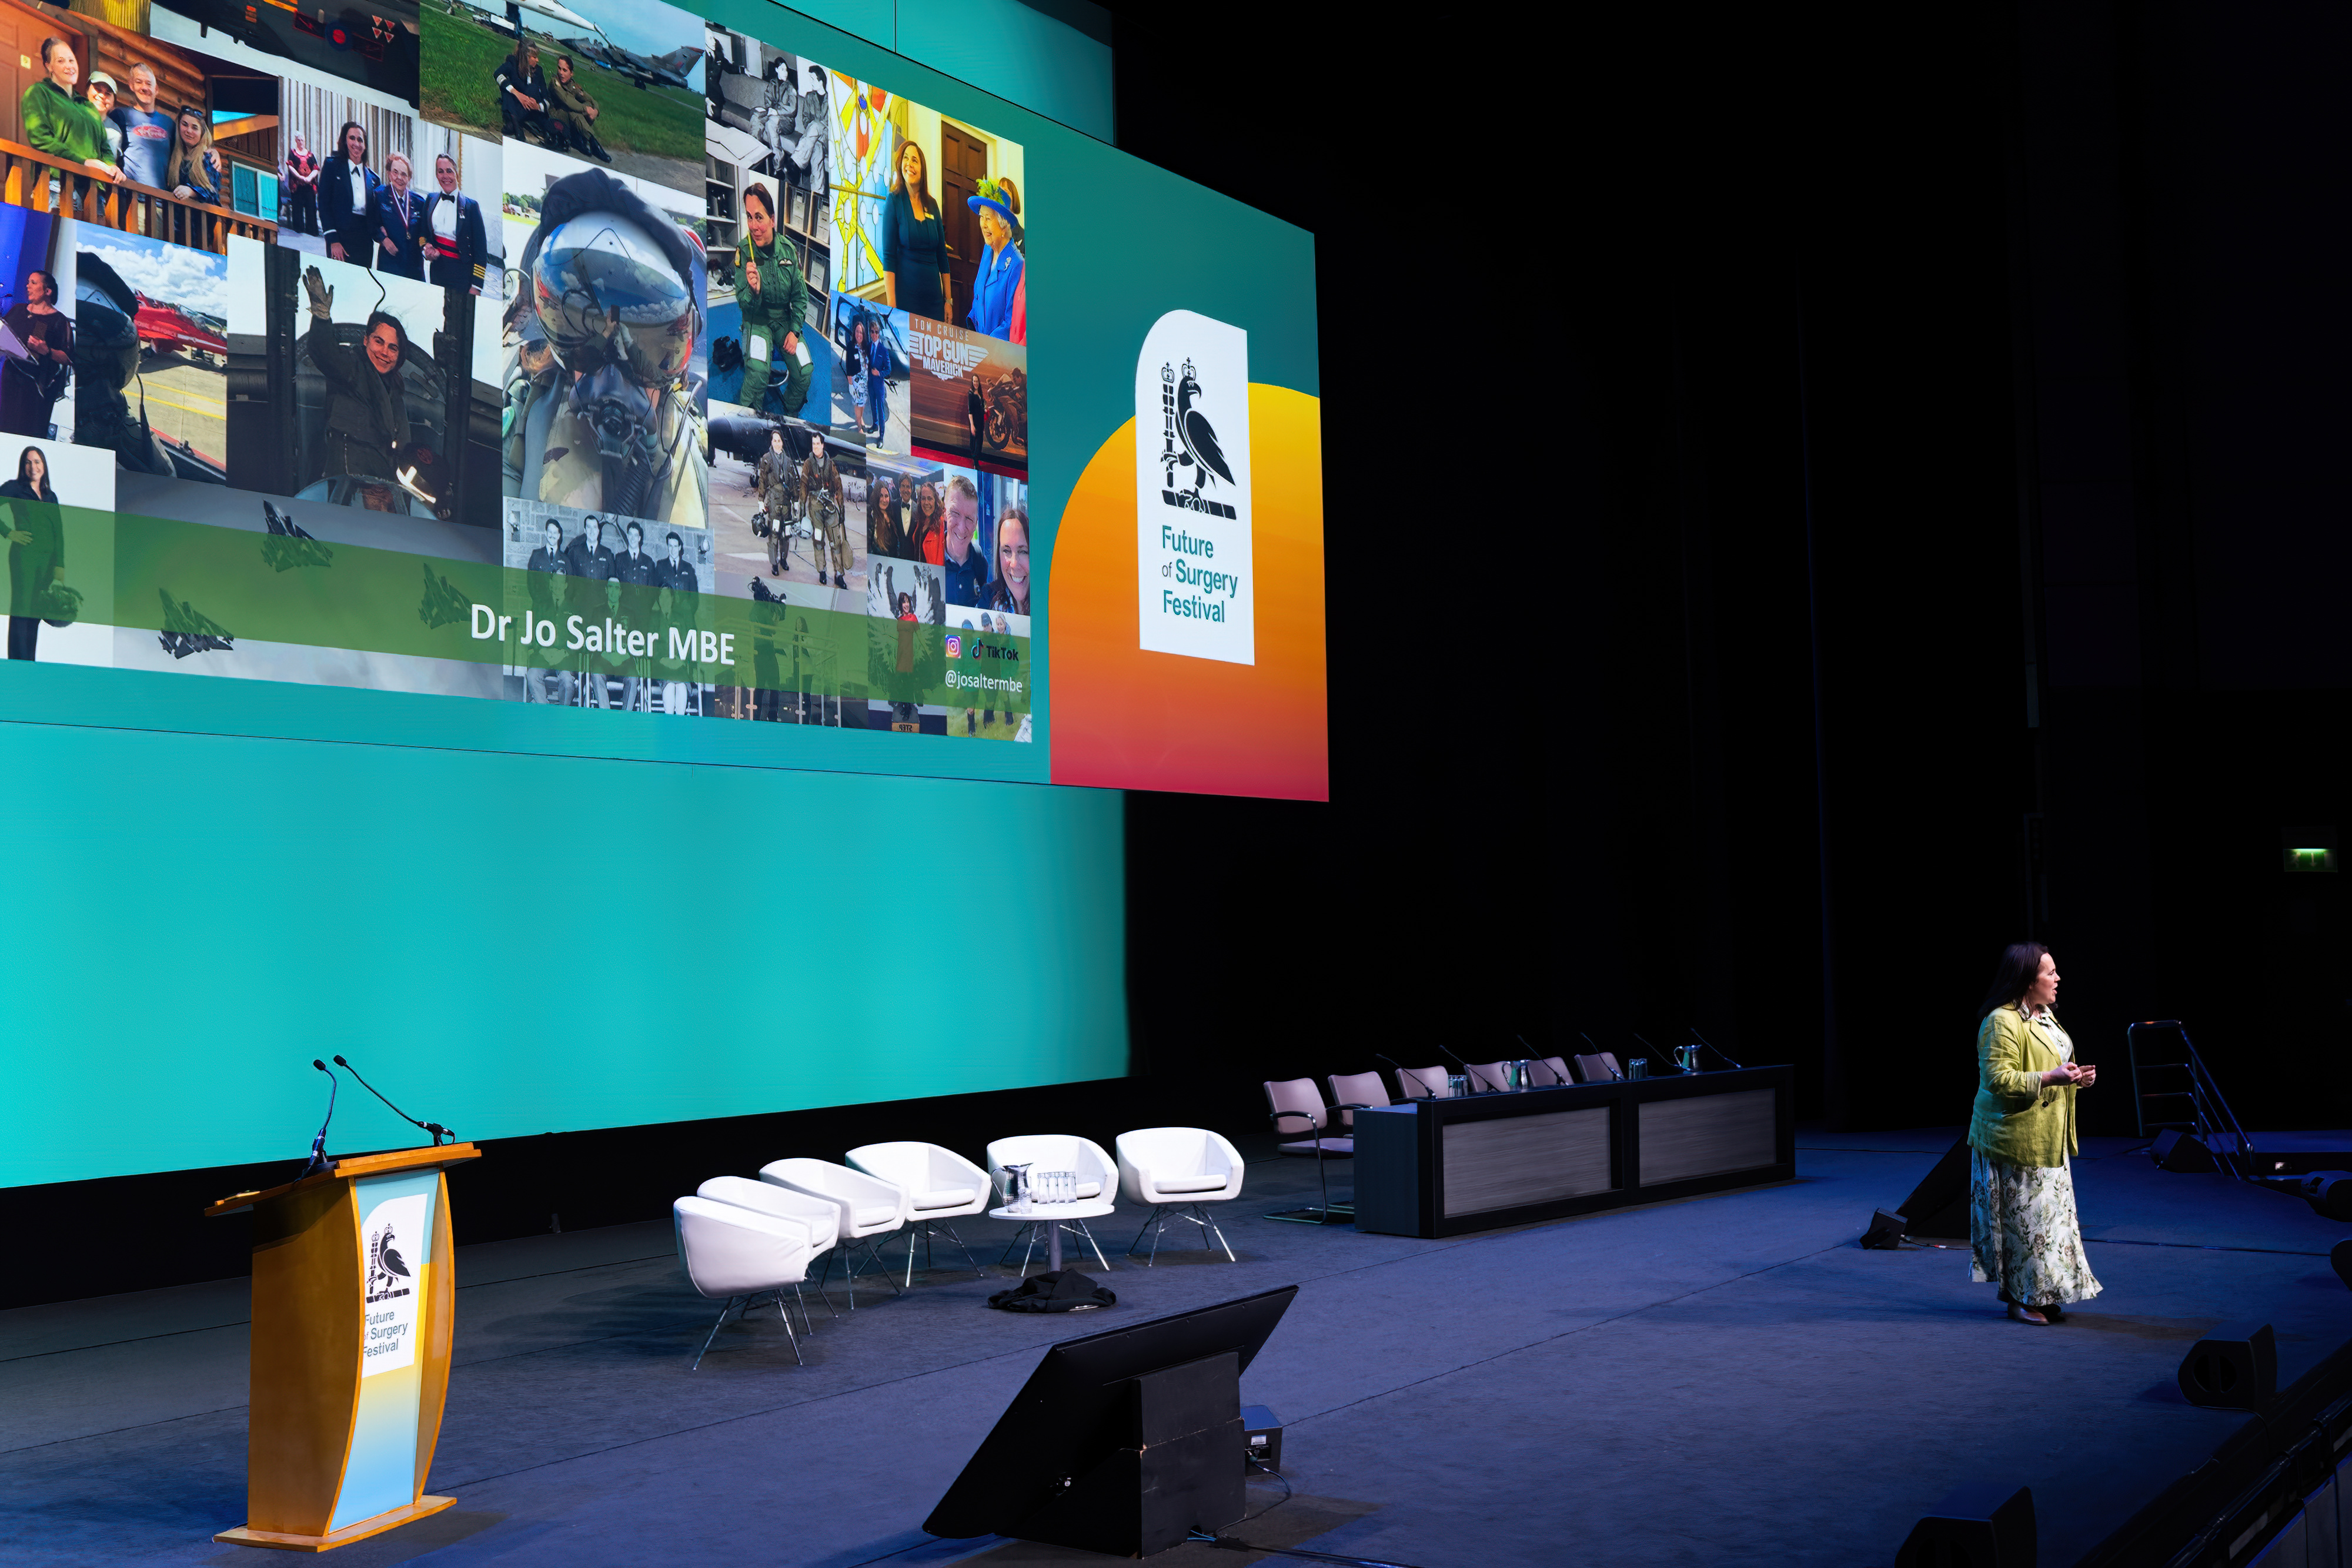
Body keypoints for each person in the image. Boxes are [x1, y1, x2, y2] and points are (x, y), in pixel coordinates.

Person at [506, 169, 707, 530]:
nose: (613, 377)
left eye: (645, 342)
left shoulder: (694, 454)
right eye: (588, 340)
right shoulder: (526, 413)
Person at [1967, 942, 2101, 1325]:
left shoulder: (2045, 1015)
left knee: (2050, 1224)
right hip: (2014, 1138)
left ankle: (2043, 1293)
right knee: (2025, 1224)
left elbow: (2054, 1063)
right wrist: (2051, 1077)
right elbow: (1998, 1079)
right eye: (2050, 972)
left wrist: (2076, 1077)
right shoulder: (2001, 1020)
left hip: (2047, 1135)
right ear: (2028, 980)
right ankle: (2021, 1299)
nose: (2058, 978)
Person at [302, 267, 412, 483]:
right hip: (349, 475)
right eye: (379, 342)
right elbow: (325, 352)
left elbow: (405, 448)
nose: (385, 352)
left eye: (393, 348)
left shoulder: (396, 392)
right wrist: (322, 317)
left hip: (384, 479)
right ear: (366, 340)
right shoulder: (352, 366)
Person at [733, 181, 808, 419]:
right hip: (756, 318)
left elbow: (800, 297)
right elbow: (742, 303)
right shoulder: (744, 251)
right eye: (749, 217)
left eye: (759, 217)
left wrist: (794, 332)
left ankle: (790, 414)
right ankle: (746, 420)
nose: (754, 226)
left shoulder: (789, 250)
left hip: (783, 319)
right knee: (757, 372)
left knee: (805, 371)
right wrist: (754, 292)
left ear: (773, 220)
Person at [22, 38, 117, 220]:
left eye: (72, 60)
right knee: (55, 238)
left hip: (93, 191)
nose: (69, 66)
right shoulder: (39, 93)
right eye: (61, 61)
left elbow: (104, 146)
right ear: (49, 66)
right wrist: (84, 162)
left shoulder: (88, 106)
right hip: (57, 184)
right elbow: (40, 139)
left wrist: (112, 166)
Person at [3, 444, 62, 660]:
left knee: (35, 613)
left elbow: (59, 533)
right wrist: (9, 533)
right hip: (24, 558)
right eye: (28, 462)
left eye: (37, 461)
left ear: (44, 465)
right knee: (22, 609)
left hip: (47, 562)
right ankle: (17, 663)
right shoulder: (15, 488)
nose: (33, 466)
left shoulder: (50, 496)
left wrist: (60, 564)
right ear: (23, 466)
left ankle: (29, 662)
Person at [881, 138, 948, 322]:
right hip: (906, 301)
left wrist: (948, 301)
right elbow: (888, 258)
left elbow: (942, 255)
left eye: (915, 160)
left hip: (934, 301)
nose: (909, 164)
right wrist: (892, 306)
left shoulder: (932, 204)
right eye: (906, 158)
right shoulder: (894, 202)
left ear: (922, 168)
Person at [2, 271, 73, 440]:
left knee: (27, 430)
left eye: (33, 283)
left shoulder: (58, 320)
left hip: (35, 387)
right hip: (11, 379)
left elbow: (68, 357)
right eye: (28, 282)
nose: (28, 286)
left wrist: (47, 351)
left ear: (48, 291)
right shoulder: (18, 311)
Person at [562, 512, 616, 707]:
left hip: (600, 618)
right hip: (580, 615)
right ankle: (579, 697)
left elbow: (613, 587)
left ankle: (594, 694)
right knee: (579, 656)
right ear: (585, 530)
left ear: (599, 531)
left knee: (596, 657)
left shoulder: (607, 555)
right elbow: (569, 584)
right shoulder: (575, 553)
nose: (593, 531)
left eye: (596, 528)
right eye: (589, 528)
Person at [522, 516, 574, 704]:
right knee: (532, 675)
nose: (552, 535)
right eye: (549, 532)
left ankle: (561, 715)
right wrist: (543, 650)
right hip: (543, 652)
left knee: (568, 681)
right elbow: (531, 584)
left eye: (556, 532)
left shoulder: (566, 561)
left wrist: (564, 653)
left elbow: (576, 638)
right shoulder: (537, 556)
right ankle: (545, 713)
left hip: (563, 656)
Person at [965, 179, 1023, 342]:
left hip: (997, 350)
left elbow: (1010, 323)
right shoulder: (988, 252)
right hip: (979, 344)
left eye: (988, 218)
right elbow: (979, 298)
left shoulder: (1017, 264)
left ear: (1004, 224)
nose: (983, 224)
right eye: (981, 217)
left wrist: (986, 347)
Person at [422, 153, 487, 295]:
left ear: (457, 174)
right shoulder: (430, 200)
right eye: (441, 171)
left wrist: (476, 286)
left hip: (462, 276)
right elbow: (423, 235)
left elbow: (481, 250)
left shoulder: (471, 207)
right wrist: (426, 249)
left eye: (449, 171)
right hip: (436, 272)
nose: (445, 176)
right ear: (436, 175)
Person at [320, 121, 382, 266]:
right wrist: (333, 240)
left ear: (365, 146)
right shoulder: (332, 166)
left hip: (364, 243)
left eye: (360, 140)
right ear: (344, 141)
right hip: (340, 238)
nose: (356, 144)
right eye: (352, 138)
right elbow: (323, 204)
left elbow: (375, 214)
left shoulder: (374, 179)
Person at [109, 63, 173, 196]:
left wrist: (212, 151)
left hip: (162, 202)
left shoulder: (169, 124)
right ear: (131, 85)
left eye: (149, 84)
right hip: (131, 199)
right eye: (139, 82)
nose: (144, 88)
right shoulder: (120, 116)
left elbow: (187, 152)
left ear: (156, 89)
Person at [654, 530, 697, 713]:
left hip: (679, 662)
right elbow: (653, 645)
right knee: (671, 686)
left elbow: (694, 599)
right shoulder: (660, 567)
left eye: (675, 546)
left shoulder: (688, 569)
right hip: (663, 664)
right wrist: (664, 659)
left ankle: (679, 723)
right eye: (669, 546)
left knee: (681, 687)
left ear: (680, 548)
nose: (672, 549)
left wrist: (681, 660)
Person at [369, 152, 426, 279]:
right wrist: (383, 239)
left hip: (414, 267)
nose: (399, 178)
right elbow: (372, 224)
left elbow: (423, 233)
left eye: (404, 174)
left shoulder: (419, 202)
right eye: (395, 172)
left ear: (409, 178)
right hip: (390, 264)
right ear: (389, 174)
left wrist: (424, 246)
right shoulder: (379, 196)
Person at [801, 430, 846, 587]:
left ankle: (839, 575)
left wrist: (842, 509)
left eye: (818, 444)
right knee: (818, 541)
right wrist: (802, 509)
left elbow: (838, 486)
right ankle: (822, 572)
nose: (815, 447)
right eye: (813, 444)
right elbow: (803, 486)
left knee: (836, 543)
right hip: (815, 508)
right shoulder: (808, 464)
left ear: (823, 445)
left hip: (830, 507)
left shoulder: (830, 464)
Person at [547, 58, 611, 163]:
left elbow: (590, 99)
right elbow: (567, 101)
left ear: (571, 74)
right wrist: (585, 109)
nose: (561, 73)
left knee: (587, 105)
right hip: (556, 116)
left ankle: (579, 140)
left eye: (565, 70)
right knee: (574, 110)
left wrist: (595, 111)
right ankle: (593, 142)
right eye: (559, 68)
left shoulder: (572, 85)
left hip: (570, 118)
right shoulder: (555, 83)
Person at [754, 426, 797, 576]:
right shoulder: (766, 459)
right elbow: (762, 481)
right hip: (773, 501)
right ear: (771, 443)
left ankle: (783, 560)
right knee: (774, 533)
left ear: (782, 443)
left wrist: (796, 501)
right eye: (775, 441)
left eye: (779, 441)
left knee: (786, 534)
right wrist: (761, 501)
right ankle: (774, 563)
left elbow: (793, 483)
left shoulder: (789, 461)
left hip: (786, 503)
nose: (777, 444)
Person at [496, 43, 557, 147]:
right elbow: (498, 74)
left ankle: (515, 123)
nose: (537, 60)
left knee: (533, 89)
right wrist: (516, 93)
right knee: (507, 89)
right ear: (526, 57)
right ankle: (515, 124)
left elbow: (546, 98)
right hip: (516, 104)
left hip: (532, 109)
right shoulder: (513, 63)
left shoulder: (539, 71)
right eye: (535, 57)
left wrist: (538, 106)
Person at [941, 475, 988, 606]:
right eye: (955, 513)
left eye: (969, 519)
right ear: (944, 513)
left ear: (976, 523)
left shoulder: (980, 561)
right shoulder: (929, 557)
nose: (962, 529)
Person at [984, 507, 1030, 617]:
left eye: (1023, 552)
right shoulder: (988, 599)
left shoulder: (1050, 605)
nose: (1014, 564)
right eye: (1006, 551)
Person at [282, 130, 320, 237]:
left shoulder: (310, 155)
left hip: (309, 185)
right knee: (297, 206)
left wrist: (309, 178)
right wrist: (300, 178)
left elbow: (315, 169)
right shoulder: (292, 153)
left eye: (302, 140)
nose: (301, 142)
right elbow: (290, 167)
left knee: (311, 206)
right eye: (299, 140)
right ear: (296, 141)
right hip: (297, 185)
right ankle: (298, 228)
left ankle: (312, 230)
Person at [905, 479, 943, 566]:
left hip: (932, 572)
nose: (926, 503)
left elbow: (941, 560)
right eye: (923, 499)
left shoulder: (941, 523)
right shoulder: (920, 521)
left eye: (930, 499)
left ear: (935, 501)